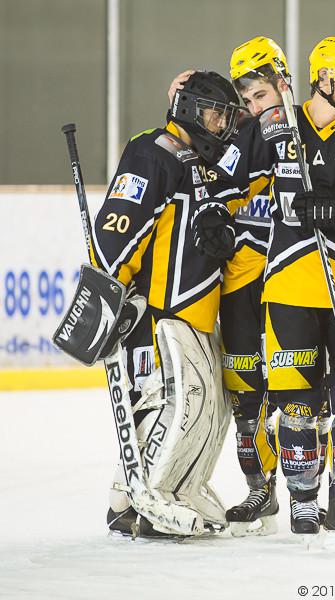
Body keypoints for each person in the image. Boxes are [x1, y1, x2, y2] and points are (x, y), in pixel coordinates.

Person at [200, 36, 335, 546]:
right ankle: (303, 503)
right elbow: (226, 181)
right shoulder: (275, 126)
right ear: (324, 76)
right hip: (291, 284)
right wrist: (214, 214)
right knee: (296, 403)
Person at [87, 71, 244, 538]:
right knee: (170, 402)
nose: (221, 126)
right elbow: (116, 231)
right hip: (159, 308)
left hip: (198, 309)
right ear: (190, 109)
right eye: (215, 115)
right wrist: (110, 293)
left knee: (209, 408)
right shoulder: (153, 151)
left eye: (226, 117)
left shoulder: (200, 162)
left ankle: (180, 486)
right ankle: (143, 496)